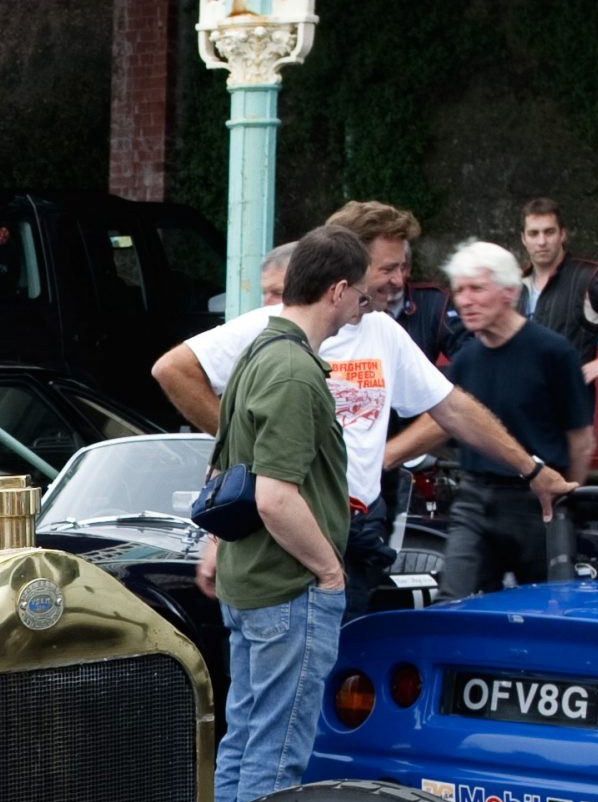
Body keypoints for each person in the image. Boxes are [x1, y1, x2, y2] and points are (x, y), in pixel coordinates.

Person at [154, 199, 573, 617]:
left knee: (343, 666)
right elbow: (174, 369)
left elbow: (453, 409)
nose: (398, 280)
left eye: (402, 268)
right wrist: (243, 455)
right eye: (388, 268)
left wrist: (531, 470)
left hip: (359, 524)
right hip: (293, 524)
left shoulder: (383, 330)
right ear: (348, 265)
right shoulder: (274, 327)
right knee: (297, 666)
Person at [194, 228, 369, 802]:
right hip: (286, 587)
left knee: (242, 745)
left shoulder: (257, 354)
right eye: (363, 297)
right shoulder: (295, 371)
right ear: (338, 290)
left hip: (250, 579)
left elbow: (222, 467)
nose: (363, 308)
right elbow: (273, 497)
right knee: (276, 760)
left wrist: (215, 546)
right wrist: (329, 571)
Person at [420, 243, 592, 598]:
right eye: (459, 290)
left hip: (536, 503)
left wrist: (565, 502)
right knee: (453, 603)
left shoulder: (553, 352)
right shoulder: (465, 361)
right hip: (474, 499)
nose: (464, 300)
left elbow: (581, 439)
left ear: (510, 292)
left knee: (544, 609)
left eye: (476, 289)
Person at [518, 196, 598, 384]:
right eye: (533, 234)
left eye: (549, 232)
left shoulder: (589, 277)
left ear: (562, 234)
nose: (541, 241)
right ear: (523, 239)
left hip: (567, 404)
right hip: (520, 403)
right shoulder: (515, 285)